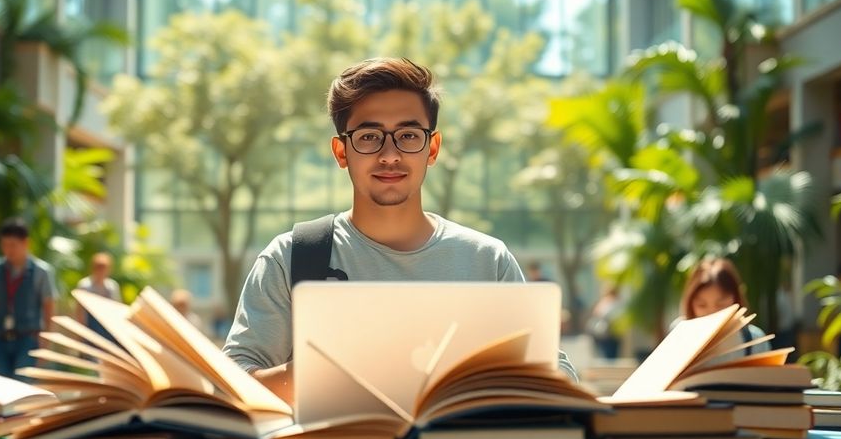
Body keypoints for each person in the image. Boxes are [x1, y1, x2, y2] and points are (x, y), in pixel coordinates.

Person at [223, 57, 578, 404]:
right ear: (341, 151)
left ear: (432, 148)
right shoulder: (291, 256)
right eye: (369, 136)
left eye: (408, 135)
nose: (390, 155)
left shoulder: (487, 260)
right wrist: (321, 371)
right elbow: (233, 379)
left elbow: (558, 375)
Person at [0, 217, 57, 380]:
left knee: (22, 389)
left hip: (28, 340)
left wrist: (46, 344)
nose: (8, 250)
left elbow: (49, 309)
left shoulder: (42, 271)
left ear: (26, 243)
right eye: (4, 245)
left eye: (13, 245)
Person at [676, 258, 771, 359]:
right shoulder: (677, 336)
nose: (711, 312)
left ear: (736, 300)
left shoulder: (755, 340)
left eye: (721, 304)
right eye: (701, 305)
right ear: (690, 304)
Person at [75, 252, 121, 341]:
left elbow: (116, 308)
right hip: (90, 325)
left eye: (104, 268)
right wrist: (81, 332)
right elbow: (80, 311)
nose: (102, 272)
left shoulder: (112, 286)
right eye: (99, 268)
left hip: (107, 326)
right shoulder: (85, 285)